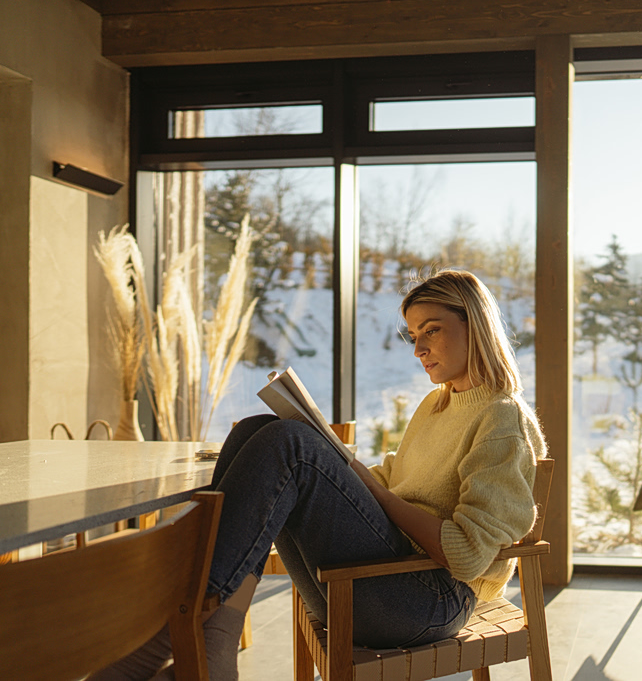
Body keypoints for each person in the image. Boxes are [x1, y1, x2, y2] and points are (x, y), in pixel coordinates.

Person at [90, 268, 547, 680]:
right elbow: (396, 481)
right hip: (366, 585)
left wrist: (363, 486)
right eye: (413, 335)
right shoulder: (437, 403)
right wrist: (340, 462)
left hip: (430, 601)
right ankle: (214, 635)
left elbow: (467, 554)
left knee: (292, 445)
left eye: (432, 330)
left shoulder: (501, 419)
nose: (419, 349)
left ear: (476, 323)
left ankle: (180, 628)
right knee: (259, 428)